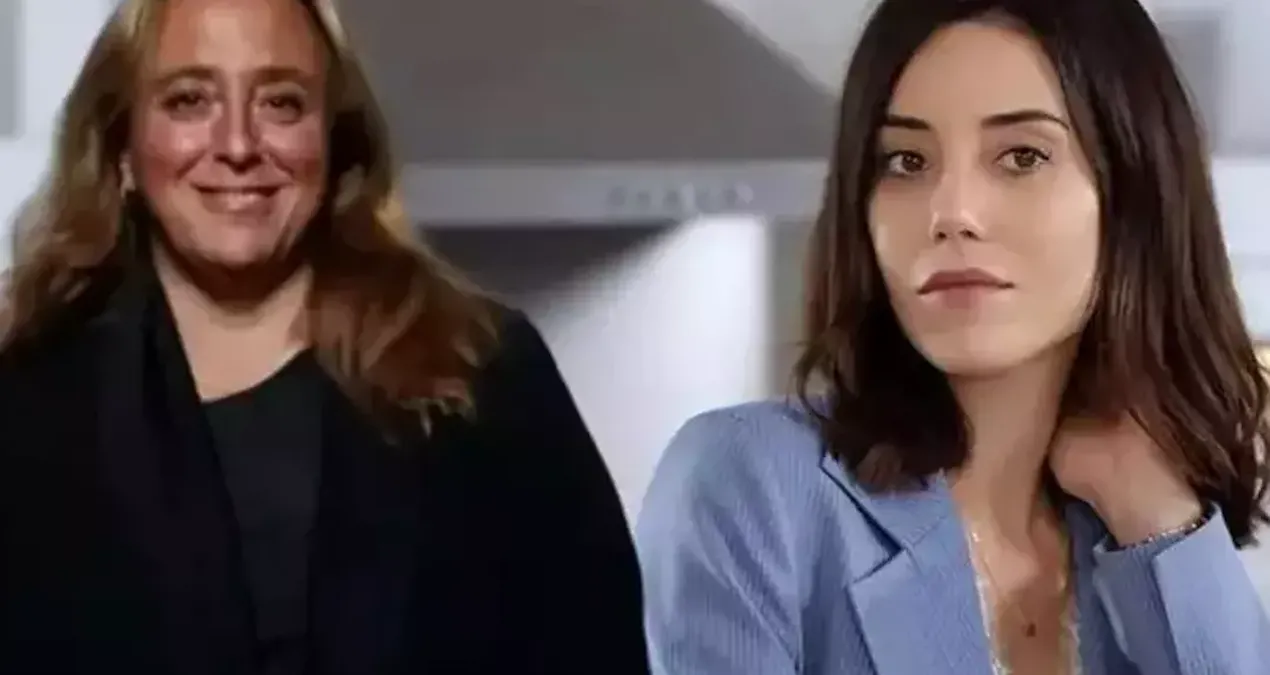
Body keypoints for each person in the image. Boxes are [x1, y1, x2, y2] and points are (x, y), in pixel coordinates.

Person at [0, 0, 649, 673]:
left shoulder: (483, 372)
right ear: (122, 151)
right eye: (189, 100)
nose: (238, 145)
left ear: (335, 141)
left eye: (280, 102)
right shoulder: (27, 406)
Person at [636, 0, 1270, 673]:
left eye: (1022, 156)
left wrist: (1153, 511)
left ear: (1135, 198)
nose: (951, 211)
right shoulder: (750, 483)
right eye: (906, 160)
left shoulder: (1139, 520)